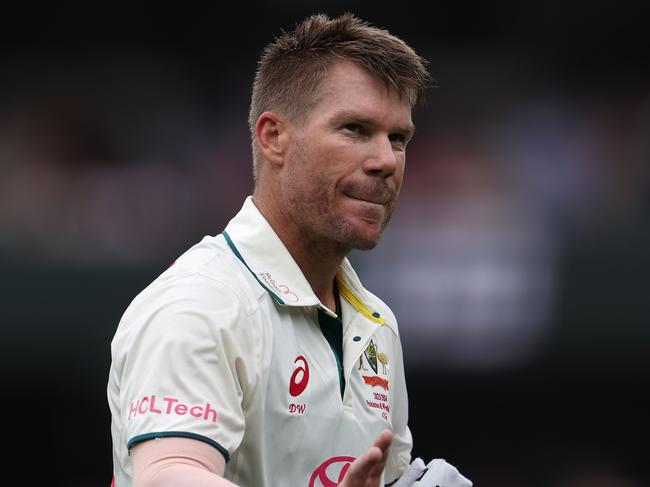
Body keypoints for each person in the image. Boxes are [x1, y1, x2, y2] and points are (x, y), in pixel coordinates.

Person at [107, 13, 471, 487]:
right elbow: (169, 476)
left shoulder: (376, 324)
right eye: (355, 129)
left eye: (397, 138)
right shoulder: (198, 304)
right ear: (273, 137)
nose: (385, 160)